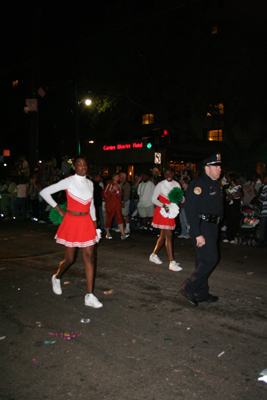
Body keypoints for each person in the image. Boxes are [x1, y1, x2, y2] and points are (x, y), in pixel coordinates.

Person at [39, 155, 103, 308]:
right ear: (74, 167)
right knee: (69, 259)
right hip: (72, 222)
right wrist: (60, 209)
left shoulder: (90, 183)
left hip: (87, 221)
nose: (83, 167)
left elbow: (92, 205)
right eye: (79, 164)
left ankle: (89, 295)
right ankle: (57, 277)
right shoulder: (69, 181)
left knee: (89, 257)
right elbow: (44, 192)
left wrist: (95, 224)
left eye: (85, 164)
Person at [180, 154, 223, 307]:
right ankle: (188, 287)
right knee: (210, 259)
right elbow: (190, 210)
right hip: (202, 225)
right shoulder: (198, 184)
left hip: (212, 226)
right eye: (216, 166)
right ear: (207, 168)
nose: (220, 169)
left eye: (219, 166)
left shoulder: (215, 184)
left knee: (202, 260)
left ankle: (201, 292)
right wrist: (197, 234)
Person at [149, 167, 183, 272]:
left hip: (171, 211)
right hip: (163, 211)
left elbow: (180, 198)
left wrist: (180, 199)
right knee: (169, 235)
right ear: (164, 175)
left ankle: (154, 255)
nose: (169, 175)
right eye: (167, 174)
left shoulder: (177, 184)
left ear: (173, 174)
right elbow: (154, 199)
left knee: (164, 235)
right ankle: (172, 262)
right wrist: (163, 205)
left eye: (171, 173)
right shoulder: (160, 184)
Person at [103, 173, 129, 240]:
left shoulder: (119, 185)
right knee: (109, 219)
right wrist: (112, 190)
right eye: (116, 176)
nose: (118, 178)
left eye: (118, 177)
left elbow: (120, 196)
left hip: (117, 205)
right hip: (110, 205)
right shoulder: (110, 185)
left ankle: (123, 234)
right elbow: (105, 195)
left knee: (119, 219)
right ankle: (107, 233)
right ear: (113, 177)